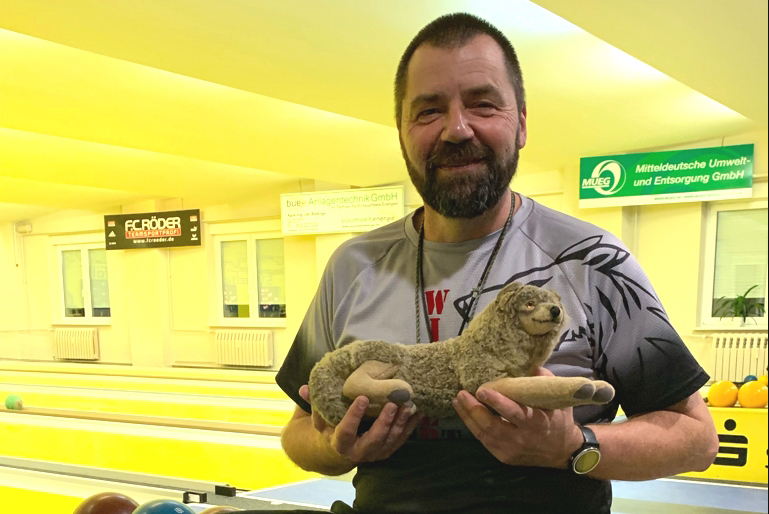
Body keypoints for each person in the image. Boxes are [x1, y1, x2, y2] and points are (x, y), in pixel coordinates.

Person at [276, 13, 718, 514]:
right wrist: (336, 449)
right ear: (401, 131)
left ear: (522, 123)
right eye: (427, 112)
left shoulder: (595, 261)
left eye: (483, 104)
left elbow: (696, 438)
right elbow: (298, 431)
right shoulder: (351, 266)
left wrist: (574, 448)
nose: (457, 129)